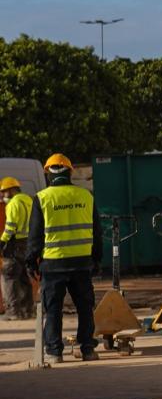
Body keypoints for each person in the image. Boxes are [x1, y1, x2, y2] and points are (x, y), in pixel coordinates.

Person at [26, 155, 98, 363]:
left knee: (53, 309)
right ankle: (87, 349)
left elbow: (35, 235)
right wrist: (96, 259)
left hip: (53, 263)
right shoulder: (85, 195)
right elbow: (97, 231)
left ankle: (55, 352)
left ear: (48, 173)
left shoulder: (42, 198)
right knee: (85, 308)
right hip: (82, 263)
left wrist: (31, 261)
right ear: (70, 172)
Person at [0, 177, 36, 320]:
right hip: (28, 243)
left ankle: (13, 312)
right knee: (23, 277)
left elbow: (11, 226)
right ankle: (28, 310)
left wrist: (2, 241)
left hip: (15, 244)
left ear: (11, 190)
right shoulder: (29, 200)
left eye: (4, 192)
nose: (2, 195)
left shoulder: (13, 203)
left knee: (8, 277)